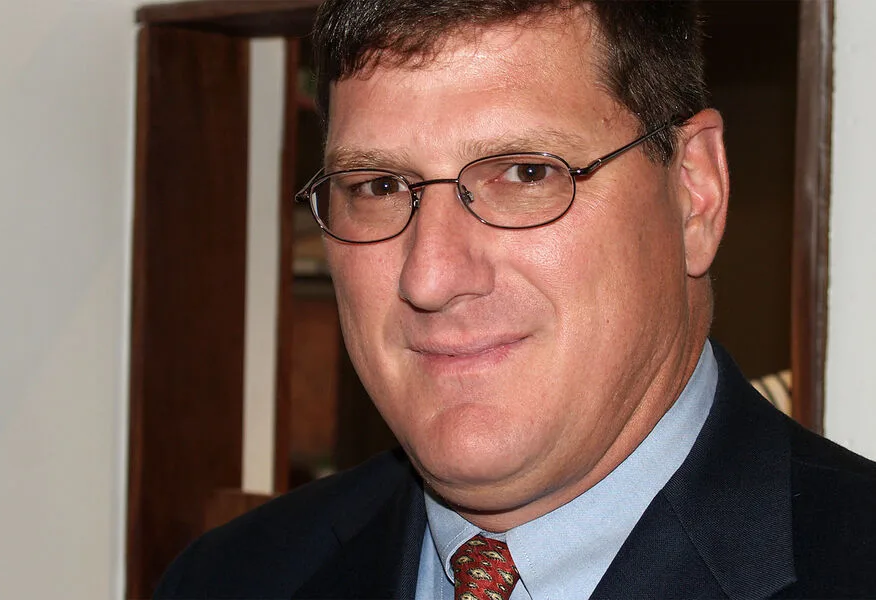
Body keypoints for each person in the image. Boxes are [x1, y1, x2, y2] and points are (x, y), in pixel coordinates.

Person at [155, 1, 876, 598]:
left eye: (526, 173)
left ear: (694, 192)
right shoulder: (231, 577)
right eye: (377, 186)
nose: (431, 277)